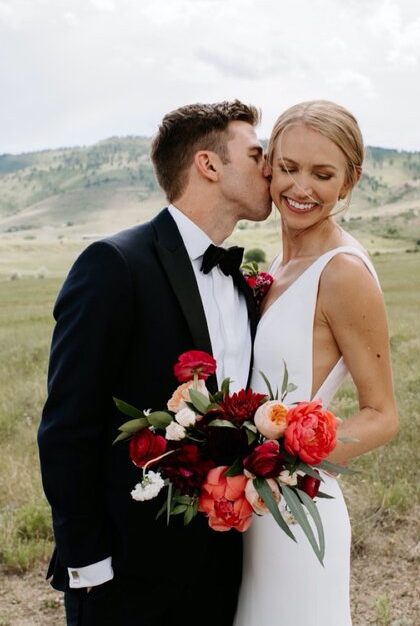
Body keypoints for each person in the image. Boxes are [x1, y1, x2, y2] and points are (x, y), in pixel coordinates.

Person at [37, 100, 272, 626]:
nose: (270, 168)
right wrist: (89, 565)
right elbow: (66, 427)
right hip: (127, 572)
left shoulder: (241, 278)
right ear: (209, 165)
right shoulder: (114, 264)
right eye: (256, 154)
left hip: (224, 562)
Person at [234, 100, 400, 626]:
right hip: (247, 506)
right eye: (288, 168)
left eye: (322, 174)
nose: (300, 188)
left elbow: (382, 415)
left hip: (296, 512)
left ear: (348, 182)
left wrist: (291, 460)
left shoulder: (343, 271)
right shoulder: (281, 263)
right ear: (268, 166)